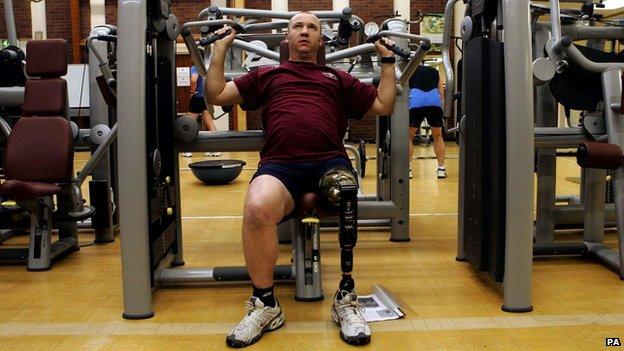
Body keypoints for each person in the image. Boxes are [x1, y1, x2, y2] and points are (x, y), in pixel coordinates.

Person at [205, 12, 396, 348]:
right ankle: (265, 304)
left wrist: (388, 60)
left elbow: (383, 104)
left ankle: (346, 299)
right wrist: (221, 47)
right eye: (298, 26)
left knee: (347, 192)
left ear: (321, 40)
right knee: (256, 205)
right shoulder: (267, 75)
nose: (305, 31)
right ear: (287, 38)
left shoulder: (336, 78)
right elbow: (217, 95)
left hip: (329, 163)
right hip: (280, 167)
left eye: (312, 28)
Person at [408, 64, 446, 179]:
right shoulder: (435, 71)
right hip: (434, 102)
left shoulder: (410, 69)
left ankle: (408, 168)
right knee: (438, 136)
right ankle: (441, 168)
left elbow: (405, 90)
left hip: (416, 102)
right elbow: (441, 92)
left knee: (409, 137)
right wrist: (441, 108)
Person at [189, 48, 218, 132]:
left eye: (192, 55)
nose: (191, 57)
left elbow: (194, 80)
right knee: (210, 124)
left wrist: (192, 92)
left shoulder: (195, 67)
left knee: (188, 123)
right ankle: (217, 141)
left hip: (198, 98)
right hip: (206, 98)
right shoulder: (207, 67)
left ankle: (184, 143)